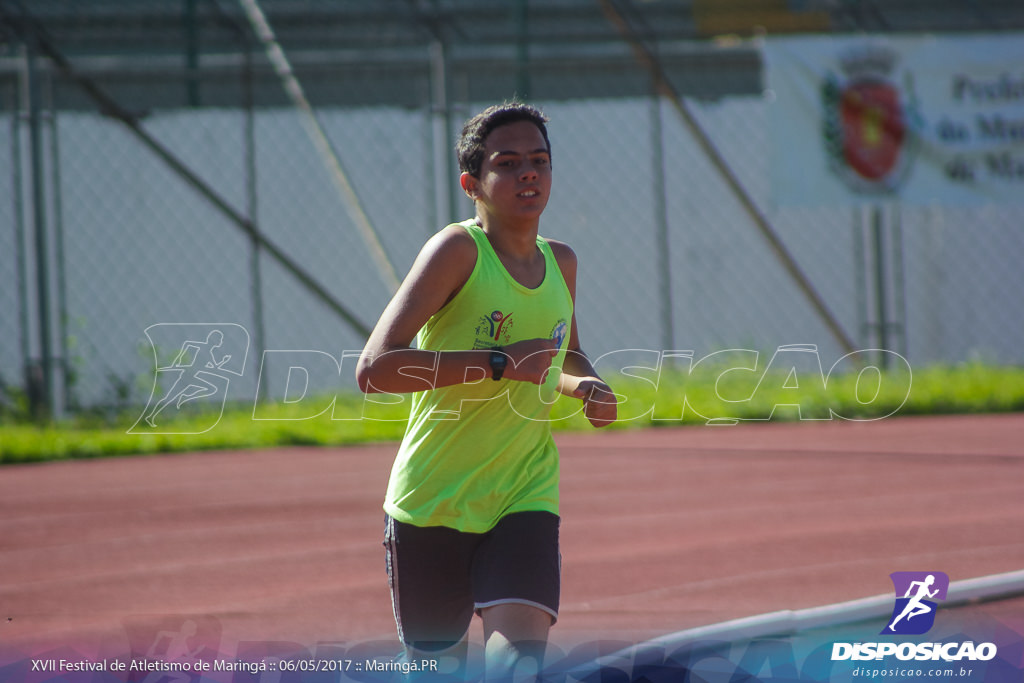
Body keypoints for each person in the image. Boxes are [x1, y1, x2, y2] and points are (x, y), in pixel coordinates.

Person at [356, 101, 616, 680]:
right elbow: (376, 369)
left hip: (523, 492)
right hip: (433, 502)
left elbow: (564, 355)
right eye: (509, 162)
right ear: (472, 183)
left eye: (540, 161)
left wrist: (587, 385)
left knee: (518, 665)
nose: (529, 173)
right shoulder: (456, 251)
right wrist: (498, 363)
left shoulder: (562, 262)